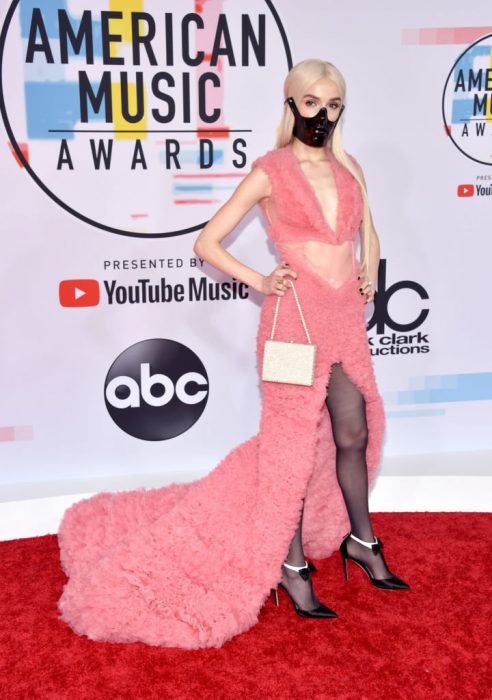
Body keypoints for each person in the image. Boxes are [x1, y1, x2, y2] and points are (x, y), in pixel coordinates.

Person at [57, 59, 409, 650]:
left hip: (345, 316)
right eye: (312, 102)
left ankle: (362, 540)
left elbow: (366, 231)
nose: (323, 115)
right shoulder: (270, 170)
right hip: (292, 323)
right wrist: (260, 278)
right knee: (289, 451)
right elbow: (206, 242)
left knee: (353, 431)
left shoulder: (350, 167)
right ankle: (291, 566)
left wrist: (368, 273)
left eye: (334, 105)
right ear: (291, 103)